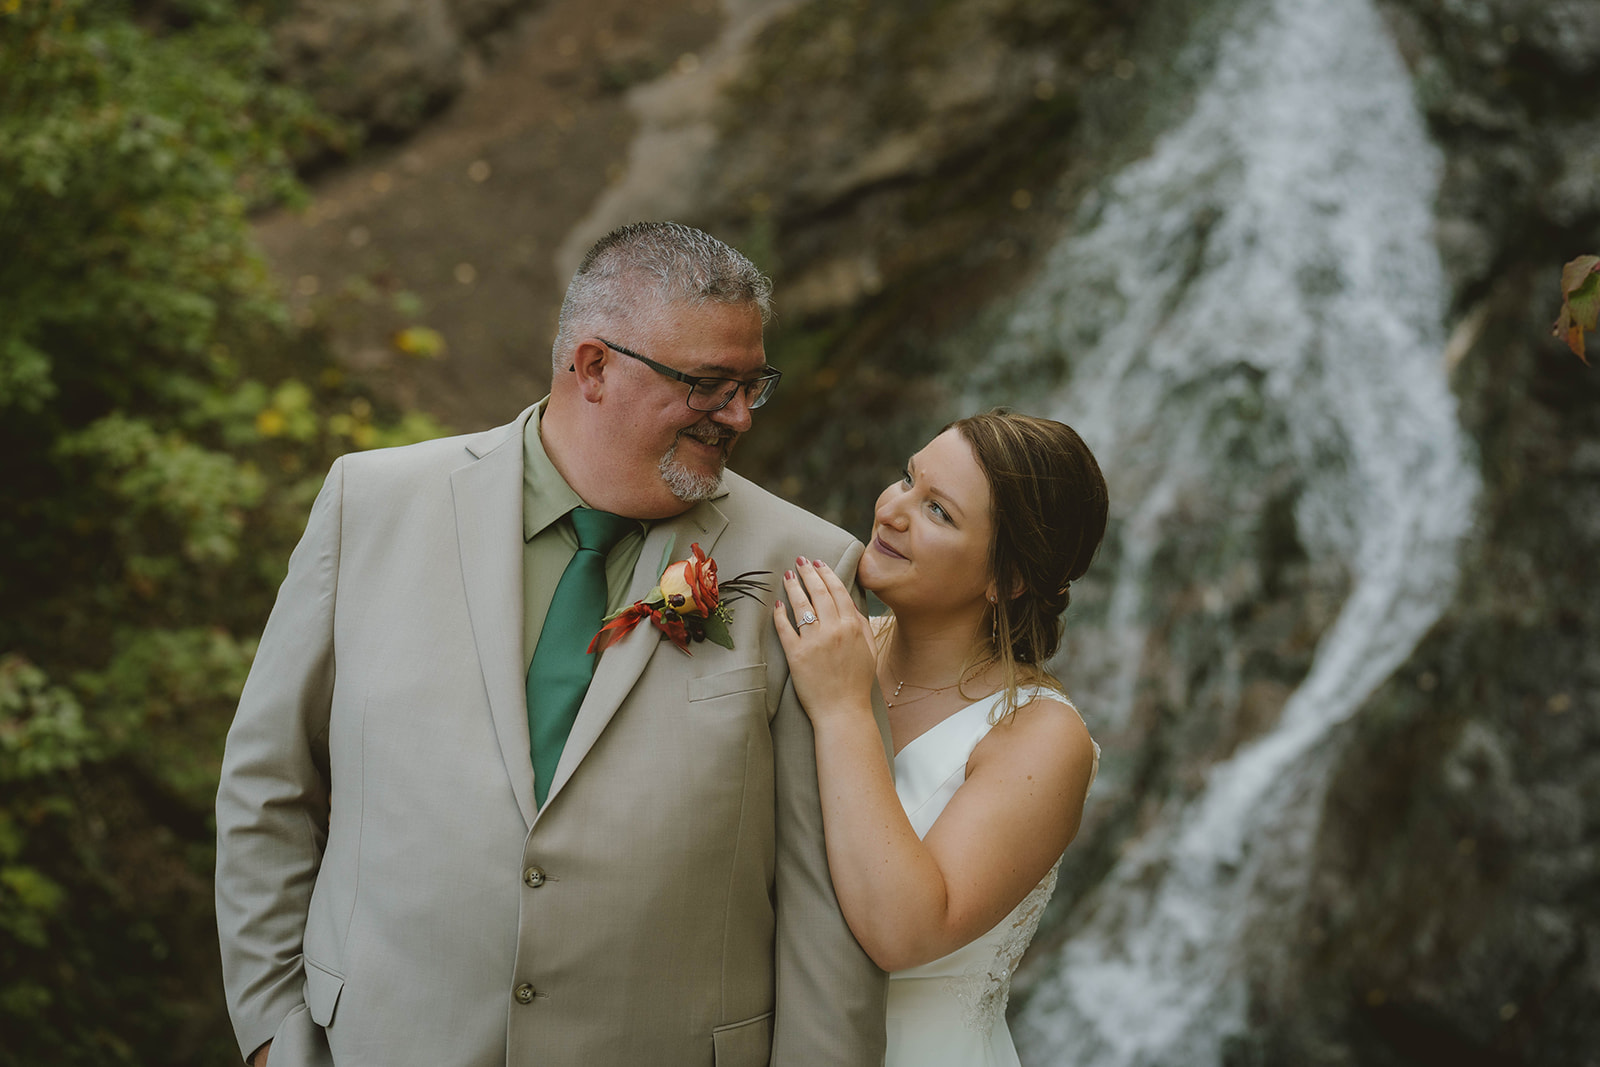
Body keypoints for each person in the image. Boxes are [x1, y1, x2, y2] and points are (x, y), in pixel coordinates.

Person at [215, 222, 889, 1067]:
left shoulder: (809, 565)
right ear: (595, 365)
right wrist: (272, 1034)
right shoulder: (369, 504)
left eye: (755, 384)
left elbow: (829, 898)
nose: (741, 415)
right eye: (711, 384)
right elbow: (267, 786)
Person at [773, 410, 1107, 1066]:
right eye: (907, 479)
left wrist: (842, 709)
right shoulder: (834, 642)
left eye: (938, 511)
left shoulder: (1041, 736)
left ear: (1007, 579)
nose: (893, 510)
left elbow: (905, 931)